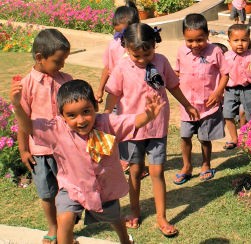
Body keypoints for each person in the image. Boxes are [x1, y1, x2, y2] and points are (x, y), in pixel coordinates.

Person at [11, 79, 166, 244]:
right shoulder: (57, 129)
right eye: (71, 115)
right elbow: (30, 128)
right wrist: (18, 106)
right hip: (72, 188)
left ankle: (124, 239)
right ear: (61, 115)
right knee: (64, 221)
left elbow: (130, 122)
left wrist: (148, 115)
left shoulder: (107, 124)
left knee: (115, 219)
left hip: (104, 190)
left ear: (95, 107)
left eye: (86, 111)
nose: (81, 120)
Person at [104, 23, 199, 237]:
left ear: (154, 45)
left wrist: (187, 105)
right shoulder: (121, 67)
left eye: (147, 53)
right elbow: (113, 94)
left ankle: (161, 217)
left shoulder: (161, 61)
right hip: (132, 128)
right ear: (126, 48)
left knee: (157, 172)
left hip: (157, 128)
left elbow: (173, 86)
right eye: (136, 55)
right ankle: (134, 211)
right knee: (135, 171)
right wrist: (107, 115)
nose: (142, 59)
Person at [16, 28, 73, 244]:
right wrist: (23, 150)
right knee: (47, 193)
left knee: (66, 191)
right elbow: (22, 122)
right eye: (58, 61)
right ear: (40, 58)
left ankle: (66, 228)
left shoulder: (66, 80)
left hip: (65, 149)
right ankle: (53, 227)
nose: (62, 66)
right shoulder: (26, 85)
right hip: (40, 152)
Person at [173, 14, 229, 184]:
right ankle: (187, 166)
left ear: (207, 35)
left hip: (208, 105)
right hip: (187, 105)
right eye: (190, 40)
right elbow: (176, 72)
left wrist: (218, 92)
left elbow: (225, 73)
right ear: (184, 36)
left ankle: (206, 164)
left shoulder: (216, 51)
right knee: (185, 137)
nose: (195, 44)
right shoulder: (182, 52)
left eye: (200, 39)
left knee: (204, 138)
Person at [95, 1, 146, 176]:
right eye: (118, 32)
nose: (121, 36)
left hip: (136, 96)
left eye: (124, 32)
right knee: (112, 124)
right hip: (116, 95)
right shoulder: (113, 45)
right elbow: (108, 68)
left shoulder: (142, 43)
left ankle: (136, 162)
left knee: (135, 127)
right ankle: (117, 160)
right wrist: (100, 89)